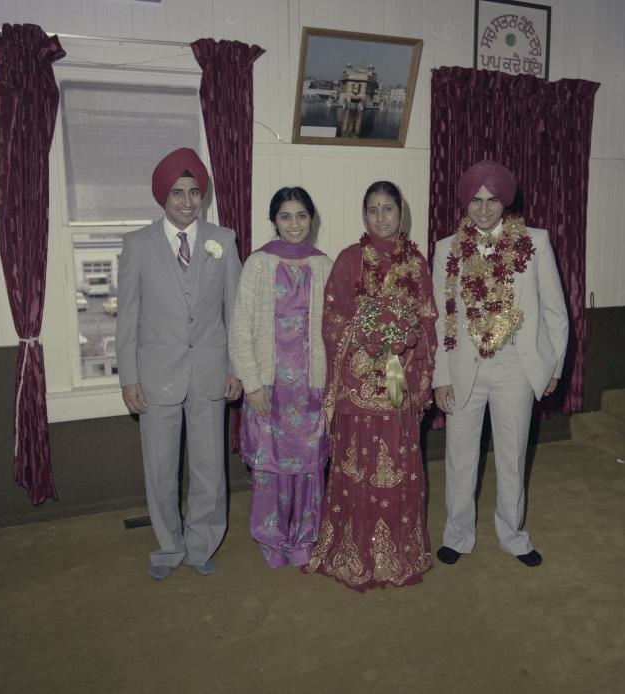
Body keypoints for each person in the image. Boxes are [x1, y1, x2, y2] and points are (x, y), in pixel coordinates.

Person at [432, 160, 568, 568]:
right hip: (463, 368)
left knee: (512, 455)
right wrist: (440, 377)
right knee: (460, 457)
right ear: (465, 203)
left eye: (492, 200)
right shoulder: (446, 249)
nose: (484, 209)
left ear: (505, 202)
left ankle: (513, 535)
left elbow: (555, 313)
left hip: (516, 368)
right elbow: (440, 318)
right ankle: (458, 534)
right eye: (476, 200)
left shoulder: (536, 242)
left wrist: (554, 368)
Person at [116, 148, 242, 581]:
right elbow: (127, 319)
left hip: (210, 373)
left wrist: (236, 368)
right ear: (162, 197)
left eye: (194, 192)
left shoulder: (222, 241)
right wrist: (129, 378)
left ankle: (202, 544)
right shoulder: (136, 245)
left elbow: (236, 313)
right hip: (155, 376)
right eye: (177, 193)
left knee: (209, 470)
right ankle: (169, 547)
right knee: (161, 469)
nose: (187, 202)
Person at [304, 181, 438, 591]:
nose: (382, 217)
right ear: (365, 216)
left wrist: (404, 342)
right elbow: (331, 321)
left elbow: (428, 321)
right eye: (374, 210)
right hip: (358, 378)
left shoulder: (416, 263)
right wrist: (367, 337)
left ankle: (399, 551)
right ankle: (351, 549)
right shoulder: (349, 260)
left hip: (398, 374)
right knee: (356, 466)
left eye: (389, 209)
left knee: (397, 462)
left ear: (402, 213)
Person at [229, 187, 332, 568]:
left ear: (311, 219)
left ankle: (305, 536)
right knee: (270, 466)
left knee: (308, 466)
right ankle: (271, 541)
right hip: (268, 387)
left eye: (302, 215)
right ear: (274, 220)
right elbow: (240, 328)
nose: (294, 224)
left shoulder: (324, 265)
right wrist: (251, 383)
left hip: (311, 385)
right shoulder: (258, 263)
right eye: (286, 216)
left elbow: (334, 330)